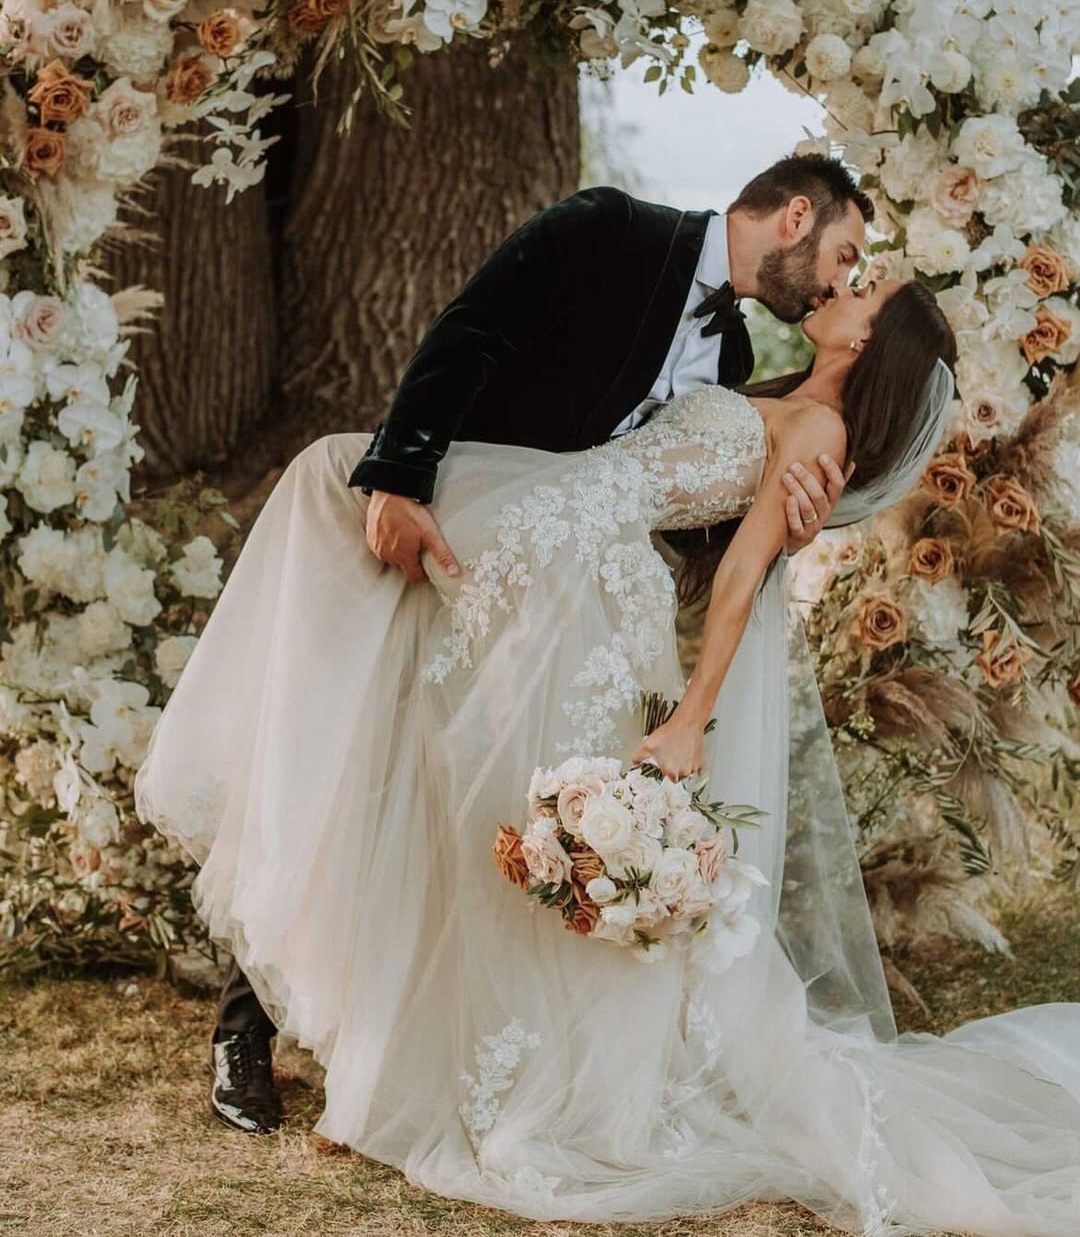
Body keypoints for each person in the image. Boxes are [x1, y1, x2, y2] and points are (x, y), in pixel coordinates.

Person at [135, 269, 1080, 1235]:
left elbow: (742, 578)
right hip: (544, 527)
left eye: (866, 294)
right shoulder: (773, 392)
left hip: (572, 575)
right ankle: (374, 1039)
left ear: (867, 345)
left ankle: (443, 1070)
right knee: (347, 524)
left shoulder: (819, 437)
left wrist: (691, 719)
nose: (845, 286)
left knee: (484, 804)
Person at [203, 153, 872, 1133]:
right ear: (795, 216)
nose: (836, 281)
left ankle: (387, 1033)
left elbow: (672, 508)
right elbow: (470, 332)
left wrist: (790, 519)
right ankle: (242, 1030)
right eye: (841, 254)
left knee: (454, 806)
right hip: (446, 539)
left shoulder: (731, 361)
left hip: (548, 602)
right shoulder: (612, 230)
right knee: (353, 761)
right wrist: (399, 479)